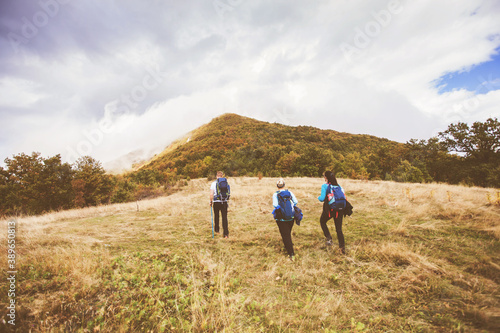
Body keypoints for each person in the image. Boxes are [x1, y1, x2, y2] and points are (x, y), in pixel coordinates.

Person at [318, 171, 346, 254]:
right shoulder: (338, 185)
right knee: (339, 229)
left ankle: (329, 239)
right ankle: (342, 248)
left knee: (322, 221)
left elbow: (322, 198)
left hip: (330, 210)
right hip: (340, 210)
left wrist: (318, 197)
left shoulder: (324, 186)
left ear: (326, 177)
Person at [272, 178, 298, 261]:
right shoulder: (290, 193)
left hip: (281, 218)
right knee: (288, 233)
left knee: (285, 235)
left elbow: (275, 205)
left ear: (277, 186)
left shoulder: (275, 194)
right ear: (284, 185)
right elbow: (296, 202)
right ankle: (288, 246)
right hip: (291, 217)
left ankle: (291, 254)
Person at [210, 171, 230, 238]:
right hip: (224, 202)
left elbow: (211, 194)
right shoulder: (225, 183)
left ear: (216, 176)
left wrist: (210, 201)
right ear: (222, 176)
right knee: (224, 217)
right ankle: (226, 234)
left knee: (216, 216)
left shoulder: (213, 183)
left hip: (216, 202)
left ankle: (217, 231)